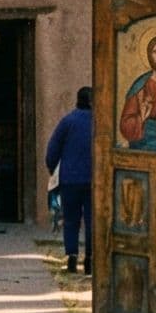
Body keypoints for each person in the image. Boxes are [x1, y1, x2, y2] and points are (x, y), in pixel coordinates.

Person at [44, 87, 95, 275]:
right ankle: (90, 259)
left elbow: (53, 149)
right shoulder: (98, 122)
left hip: (70, 179)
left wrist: (53, 168)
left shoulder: (68, 121)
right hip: (93, 180)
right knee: (92, 220)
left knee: (71, 219)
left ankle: (72, 256)